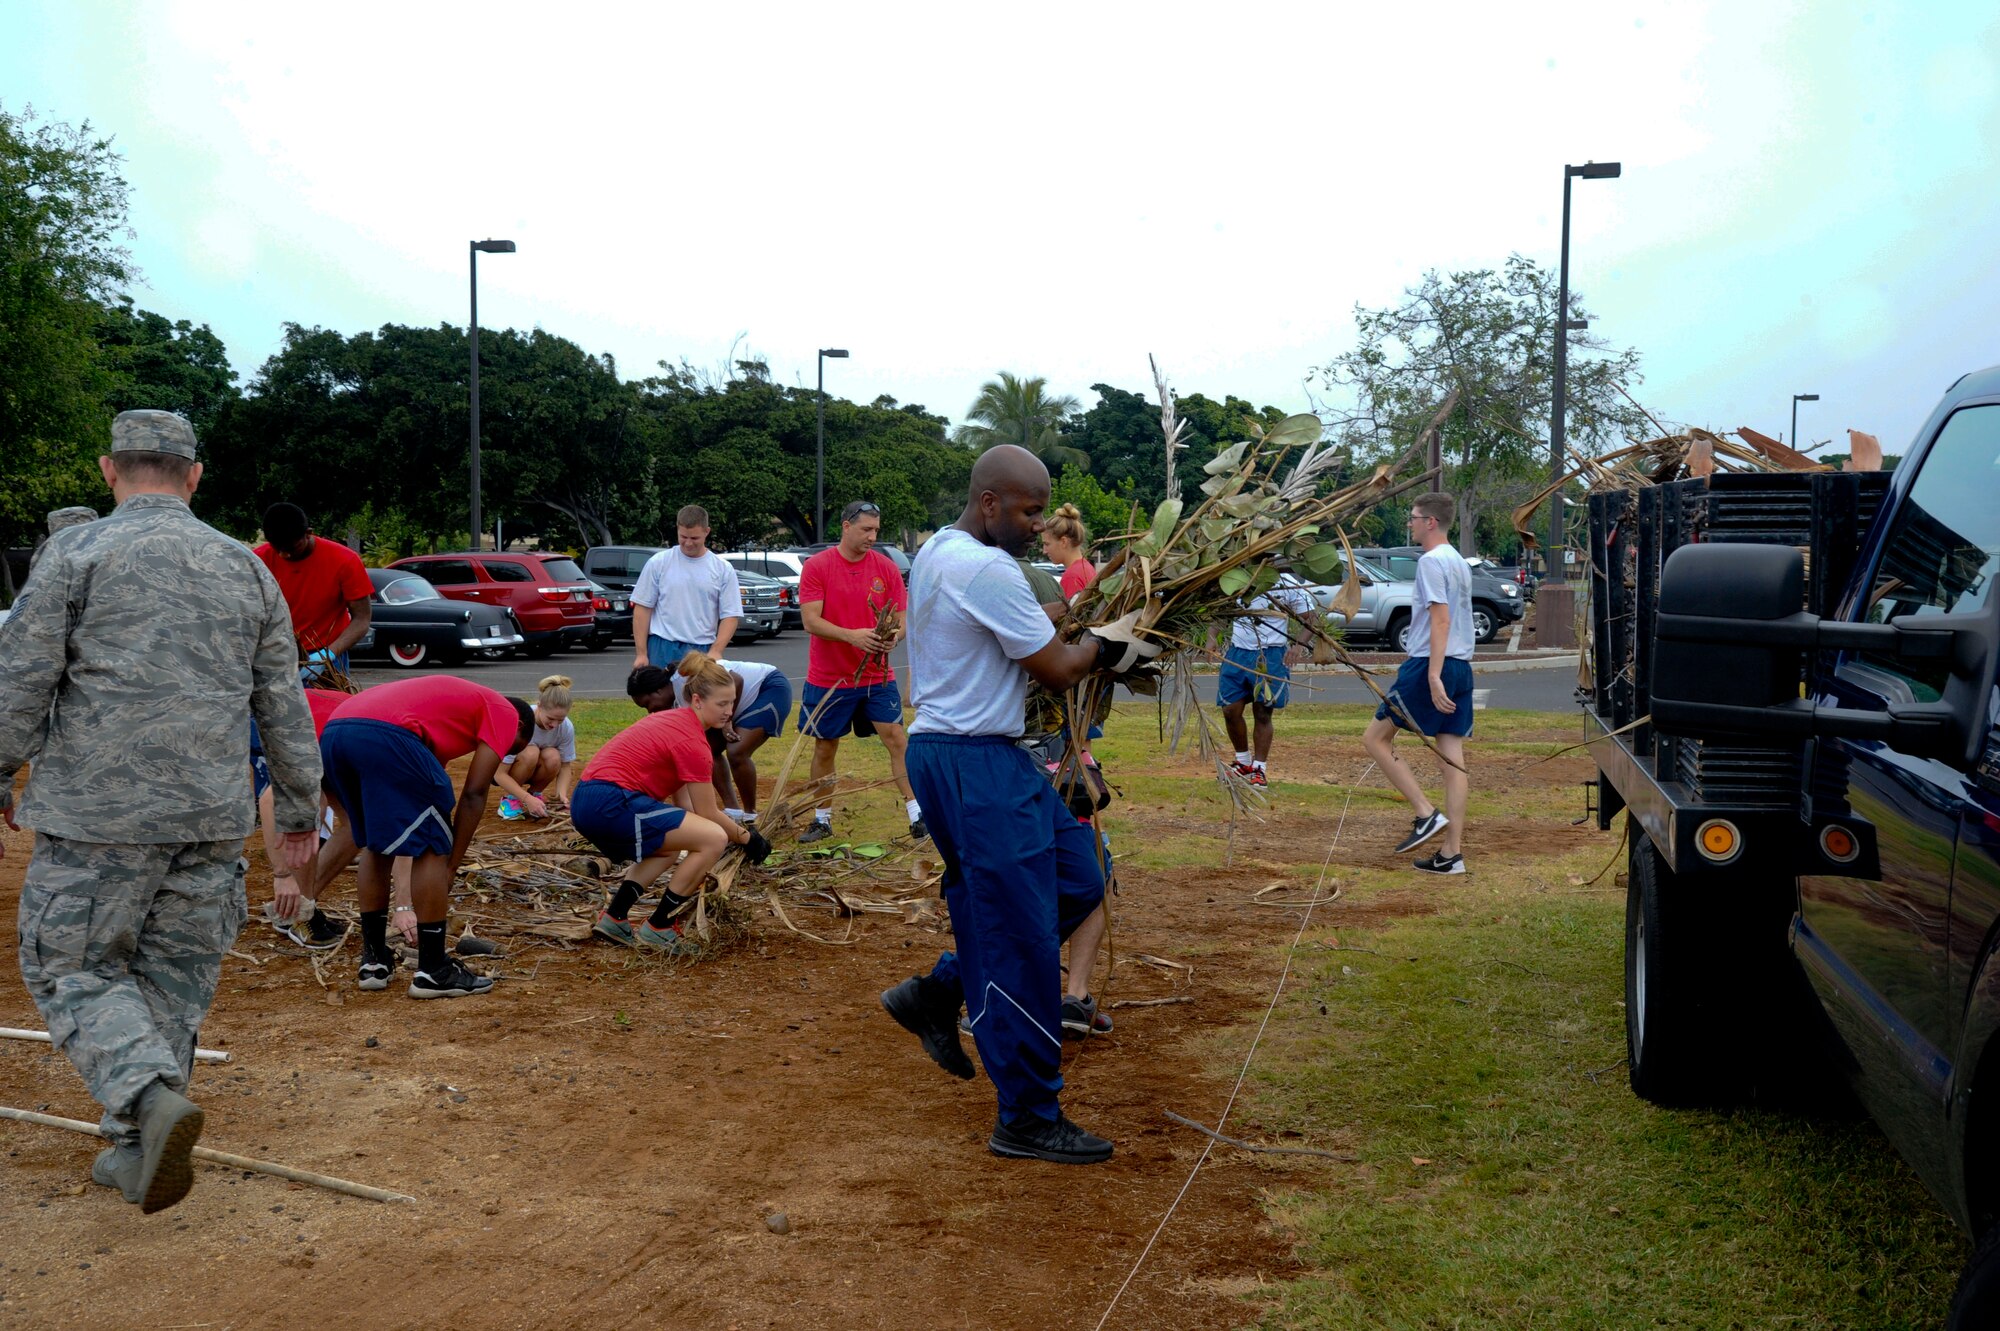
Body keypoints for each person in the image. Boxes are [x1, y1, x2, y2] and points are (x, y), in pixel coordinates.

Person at [0, 409, 322, 1213]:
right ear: (194, 475)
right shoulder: (246, 569)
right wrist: (297, 810)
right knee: (172, 979)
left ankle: (143, 1098)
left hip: (98, 817)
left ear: (110, 470)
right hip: (211, 817)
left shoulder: (75, 552)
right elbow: (285, 703)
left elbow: (20, 684)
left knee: (72, 965)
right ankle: (136, 1147)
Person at [878, 445, 1161, 1165]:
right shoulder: (987, 566)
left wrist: (1068, 614)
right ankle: (1029, 1115)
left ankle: (940, 990)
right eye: (1031, 511)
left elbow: (1016, 624)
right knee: (1022, 938)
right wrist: (1113, 638)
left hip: (975, 756)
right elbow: (1062, 669)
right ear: (991, 504)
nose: (1040, 524)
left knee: (1078, 880)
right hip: (975, 762)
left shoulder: (941, 549)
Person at [315, 677, 533, 997]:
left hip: (336, 733)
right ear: (521, 726)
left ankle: (374, 961)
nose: (502, 754)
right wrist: (451, 866)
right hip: (384, 734)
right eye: (513, 747)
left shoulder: (442, 720)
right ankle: (433, 969)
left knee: (378, 843)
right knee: (434, 844)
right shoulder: (504, 711)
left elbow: (405, 829)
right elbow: (474, 793)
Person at [578, 653, 772, 954]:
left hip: (591, 801)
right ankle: (660, 926)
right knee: (714, 839)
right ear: (696, 700)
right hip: (610, 801)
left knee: (667, 849)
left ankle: (614, 918)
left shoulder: (675, 723)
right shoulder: (693, 742)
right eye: (721, 704)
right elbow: (707, 813)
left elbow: (686, 810)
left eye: (731, 702)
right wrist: (747, 838)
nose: (728, 711)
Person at [1361, 492, 1475, 875]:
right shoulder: (1459, 562)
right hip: (1461, 666)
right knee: (1451, 755)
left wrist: (1431, 674)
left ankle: (1426, 813)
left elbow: (1440, 620)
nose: (1409, 523)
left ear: (1430, 522)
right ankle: (1451, 855)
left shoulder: (1431, 562)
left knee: (1375, 739)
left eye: (1413, 517)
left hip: (1433, 664)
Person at [797, 500, 924, 843]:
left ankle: (918, 815)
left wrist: (893, 637)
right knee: (825, 746)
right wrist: (852, 636)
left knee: (897, 740)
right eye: (866, 529)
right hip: (830, 677)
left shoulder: (885, 568)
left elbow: (901, 619)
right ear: (846, 526)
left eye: (876, 531)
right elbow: (810, 620)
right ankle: (822, 819)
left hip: (877, 677)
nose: (872, 536)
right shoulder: (818, 566)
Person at [256, 686, 352, 946]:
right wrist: (282, 875)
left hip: (340, 732)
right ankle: (296, 911)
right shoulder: (303, 735)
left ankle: (301, 906)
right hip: (302, 725)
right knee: (306, 811)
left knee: (359, 826)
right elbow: (270, 802)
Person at [1218, 572, 1319, 788]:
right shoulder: (1234, 577)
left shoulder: (1285, 583)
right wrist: (1211, 638)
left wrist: (1298, 646)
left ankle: (1259, 768)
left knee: (1263, 711)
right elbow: (1220, 613)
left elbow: (1312, 618)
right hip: (1238, 653)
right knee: (1230, 710)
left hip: (1271, 655)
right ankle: (1243, 762)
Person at [253, 502, 373, 680]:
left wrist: (327, 656)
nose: (283, 555)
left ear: (308, 533)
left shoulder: (345, 561)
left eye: (291, 548)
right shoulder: (258, 560)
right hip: (275, 657)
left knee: (331, 707)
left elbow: (362, 619)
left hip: (329, 657)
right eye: (277, 548)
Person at [670, 657, 790, 821]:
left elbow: (737, 680)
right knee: (708, 750)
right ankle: (733, 810)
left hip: (767, 688)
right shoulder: (679, 691)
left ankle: (750, 814)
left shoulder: (678, 681)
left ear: (658, 691)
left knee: (736, 752)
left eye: (649, 703)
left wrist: (727, 722)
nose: (651, 709)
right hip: (735, 701)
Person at [629, 505, 742, 671]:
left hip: (701, 649)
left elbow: (731, 615)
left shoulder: (722, 569)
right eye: (683, 537)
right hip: (662, 646)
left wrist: (716, 651)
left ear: (707, 531)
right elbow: (643, 608)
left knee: (696, 696)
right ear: (677, 529)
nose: (688, 543)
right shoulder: (658, 562)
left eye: (694, 538)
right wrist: (641, 654)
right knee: (660, 696)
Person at [495, 674, 578, 820]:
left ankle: (536, 794)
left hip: (535, 768)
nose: (554, 725)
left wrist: (562, 796)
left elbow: (565, 766)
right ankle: (511, 799)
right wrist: (525, 798)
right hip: (505, 770)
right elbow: (498, 774)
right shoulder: (522, 722)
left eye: (560, 720)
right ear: (539, 706)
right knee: (531, 752)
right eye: (550, 719)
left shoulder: (566, 727)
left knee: (553, 755)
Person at [1041, 502, 1096, 602]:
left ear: (1063, 542)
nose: (1044, 551)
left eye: (1047, 544)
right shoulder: (1087, 568)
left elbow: (1070, 616)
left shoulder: (1071, 577)